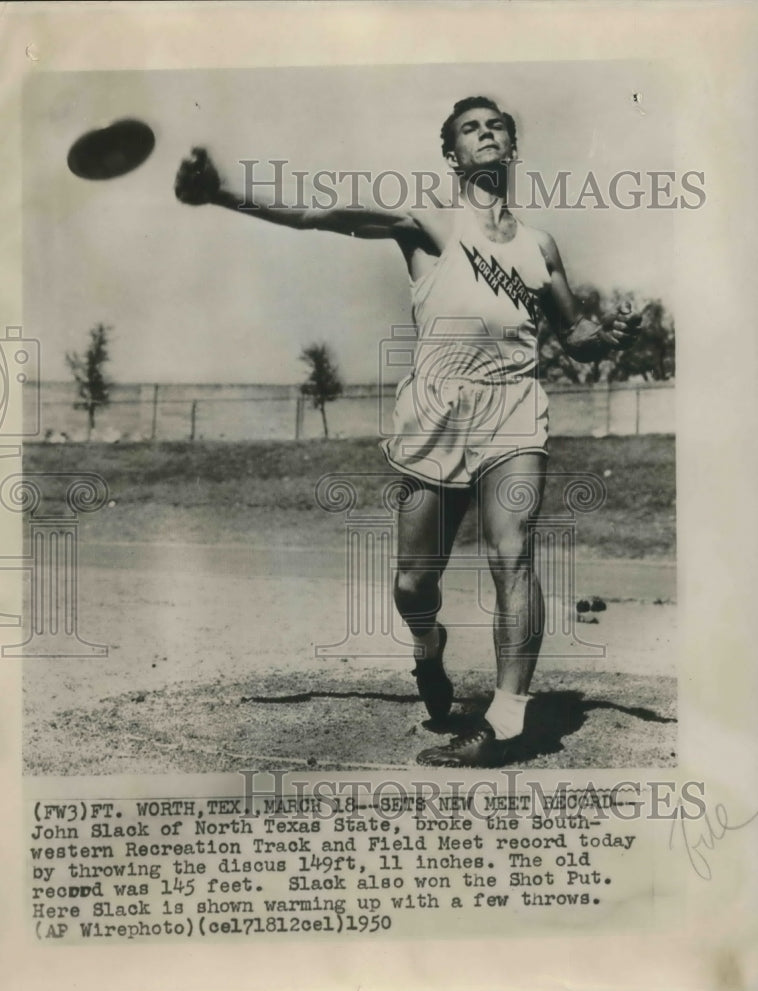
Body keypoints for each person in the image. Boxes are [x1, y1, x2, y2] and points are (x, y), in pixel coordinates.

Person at [174, 96, 640, 767]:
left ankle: (506, 720)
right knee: (412, 587)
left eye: (495, 127)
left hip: (512, 407)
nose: (484, 135)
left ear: (511, 147)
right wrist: (221, 196)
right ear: (451, 154)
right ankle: (429, 649)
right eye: (469, 130)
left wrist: (609, 337)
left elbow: (576, 337)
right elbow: (317, 216)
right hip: (436, 417)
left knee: (514, 555)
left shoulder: (540, 246)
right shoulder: (425, 222)